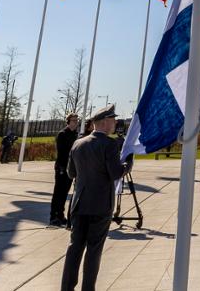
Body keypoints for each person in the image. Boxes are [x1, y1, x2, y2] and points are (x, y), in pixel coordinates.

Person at [62, 104, 127, 291]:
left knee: (74, 248)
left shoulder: (78, 143)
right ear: (105, 122)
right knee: (93, 251)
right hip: (100, 206)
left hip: (79, 204)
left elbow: (71, 173)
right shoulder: (109, 144)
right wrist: (128, 164)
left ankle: (66, 287)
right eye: (113, 120)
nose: (115, 123)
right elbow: (115, 173)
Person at [51, 113, 80, 226]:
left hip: (71, 168)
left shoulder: (76, 135)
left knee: (65, 193)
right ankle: (54, 216)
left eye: (76, 120)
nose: (75, 122)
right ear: (68, 122)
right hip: (62, 167)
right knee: (58, 192)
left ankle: (61, 215)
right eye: (73, 120)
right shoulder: (62, 134)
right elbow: (62, 153)